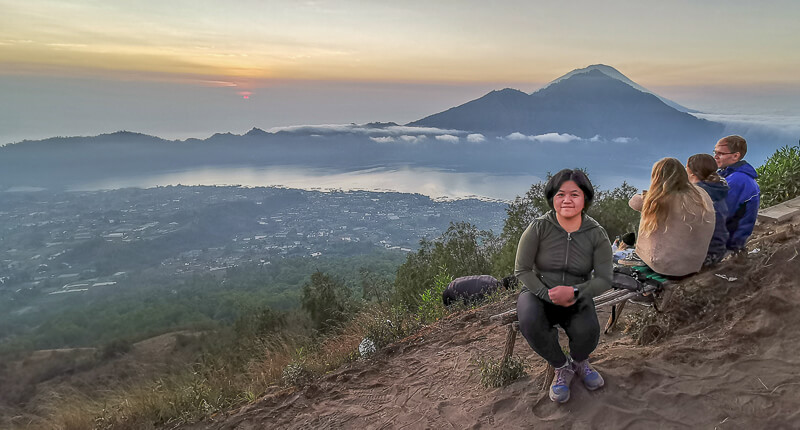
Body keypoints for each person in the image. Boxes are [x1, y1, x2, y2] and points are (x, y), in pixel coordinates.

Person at [515, 169, 612, 404]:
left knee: (588, 332)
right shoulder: (539, 227)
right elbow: (522, 270)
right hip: (538, 292)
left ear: (585, 198)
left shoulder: (596, 234)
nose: (567, 200)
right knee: (529, 320)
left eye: (574, 194)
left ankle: (580, 362)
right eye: (561, 194)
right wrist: (545, 294)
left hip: (577, 293)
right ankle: (561, 367)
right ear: (552, 198)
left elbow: (604, 278)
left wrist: (575, 292)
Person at [629, 158, 715, 277]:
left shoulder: (658, 199)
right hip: (694, 264)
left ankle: (640, 256)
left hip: (666, 267)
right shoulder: (701, 193)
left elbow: (633, 202)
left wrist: (648, 194)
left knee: (649, 213)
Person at [714, 135, 761, 252]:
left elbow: (716, 216)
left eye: (720, 153)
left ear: (736, 156)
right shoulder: (730, 174)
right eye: (715, 152)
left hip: (727, 242)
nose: (715, 157)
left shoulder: (737, 181)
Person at [687, 153, 730, 266]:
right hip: (719, 250)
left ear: (691, 172)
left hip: (704, 256)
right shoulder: (717, 188)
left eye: (685, 168)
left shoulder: (695, 194)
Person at [441, 274, 514, 306]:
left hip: (453, 284)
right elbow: (475, 301)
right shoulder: (490, 289)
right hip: (452, 291)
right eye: (507, 292)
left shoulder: (491, 279)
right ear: (504, 288)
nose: (505, 294)